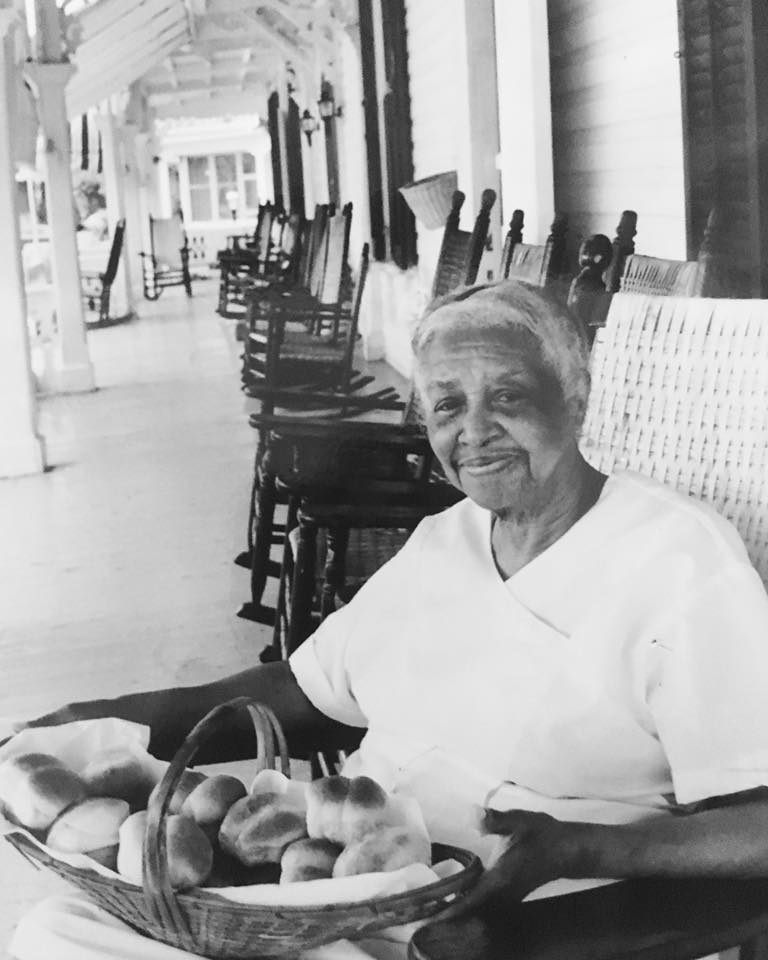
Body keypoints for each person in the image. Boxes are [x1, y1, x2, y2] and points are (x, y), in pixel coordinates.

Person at [8, 280, 768, 959]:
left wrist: (576, 858)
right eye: (446, 404)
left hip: (506, 920)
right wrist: (102, 722)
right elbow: (308, 691)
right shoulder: (447, 537)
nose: (474, 431)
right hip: (331, 885)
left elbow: (757, 830)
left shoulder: (683, 563)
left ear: (574, 399)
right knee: (58, 928)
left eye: (507, 397)